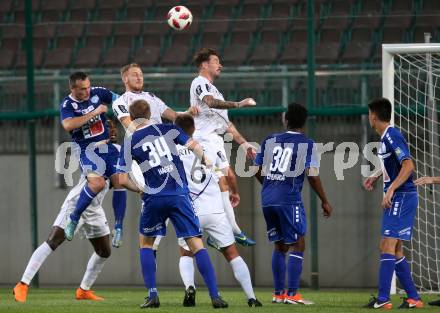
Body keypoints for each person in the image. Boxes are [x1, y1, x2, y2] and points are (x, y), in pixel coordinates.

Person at [117, 99, 228, 309]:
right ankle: (215, 296)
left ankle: (152, 295)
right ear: (149, 114)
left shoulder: (130, 142)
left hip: (154, 198)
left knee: (147, 244)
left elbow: (121, 180)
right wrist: (205, 159)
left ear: (131, 118)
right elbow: (193, 145)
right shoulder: (168, 129)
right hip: (179, 194)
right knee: (196, 245)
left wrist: (140, 189)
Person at [12, 120, 122, 302]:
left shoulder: (117, 152)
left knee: (104, 251)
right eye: (108, 128)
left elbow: (121, 180)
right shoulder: (91, 148)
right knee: (53, 241)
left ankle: (83, 290)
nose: (113, 131)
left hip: (95, 208)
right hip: (78, 202)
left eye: (113, 128)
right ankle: (22, 284)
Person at [174, 114, 262, 307]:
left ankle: (190, 287)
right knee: (232, 253)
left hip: (190, 212)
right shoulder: (211, 147)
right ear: (193, 128)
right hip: (214, 210)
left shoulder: (173, 151)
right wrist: (233, 193)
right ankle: (252, 297)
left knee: (186, 253)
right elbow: (225, 177)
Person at [254, 103, 332, 305]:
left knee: (279, 246)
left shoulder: (269, 140)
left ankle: (278, 294)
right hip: (288, 200)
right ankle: (292, 294)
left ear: (285, 120)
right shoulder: (307, 144)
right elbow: (312, 176)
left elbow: (256, 170)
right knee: (298, 243)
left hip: (267, 199)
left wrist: (271, 184)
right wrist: (325, 200)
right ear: (304, 123)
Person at [190, 47, 257, 246]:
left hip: (216, 140)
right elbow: (210, 103)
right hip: (203, 139)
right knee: (219, 182)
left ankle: (219, 234)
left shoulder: (215, 89)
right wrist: (237, 104)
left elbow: (227, 125)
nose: (220, 65)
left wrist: (244, 144)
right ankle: (232, 231)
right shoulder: (199, 83)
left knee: (228, 178)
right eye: (216, 61)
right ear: (204, 64)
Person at [363, 97, 423, 309]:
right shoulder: (386, 137)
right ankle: (414, 298)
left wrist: (392, 190)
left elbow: (408, 166)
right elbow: (396, 165)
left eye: (369, 114)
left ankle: (383, 299)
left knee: (386, 245)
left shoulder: (392, 136)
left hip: (402, 196)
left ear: (374, 115)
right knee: (394, 249)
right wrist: (377, 175)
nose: (368, 117)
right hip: (400, 196)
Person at [60, 72, 126, 244]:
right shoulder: (68, 105)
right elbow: (68, 124)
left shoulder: (97, 92)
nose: (87, 91)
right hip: (87, 150)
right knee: (97, 184)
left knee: (121, 180)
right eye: (82, 89)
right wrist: (95, 112)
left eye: (88, 86)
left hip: (107, 146)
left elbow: (120, 100)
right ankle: (74, 218)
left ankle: (118, 227)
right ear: (72, 88)